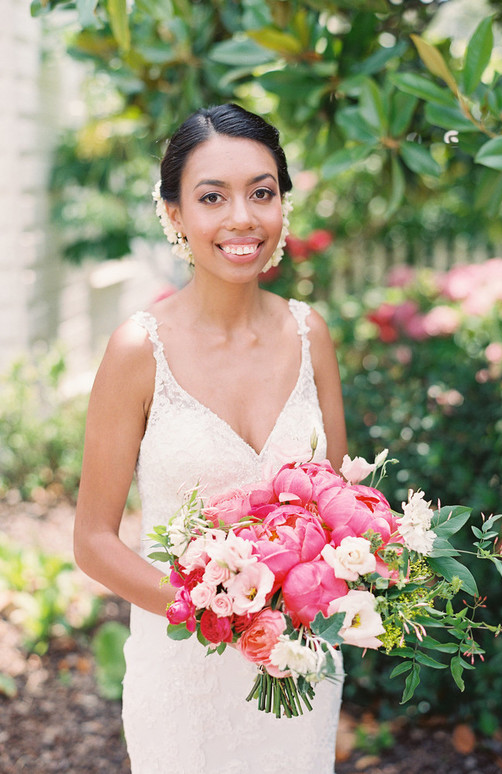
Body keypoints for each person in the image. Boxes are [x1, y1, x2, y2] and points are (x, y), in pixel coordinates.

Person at [74, 103, 347, 773]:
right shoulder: (140, 349)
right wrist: (219, 616)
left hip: (300, 666)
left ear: (284, 201)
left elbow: (338, 508)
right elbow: (94, 541)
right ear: (174, 213)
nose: (241, 217)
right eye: (211, 196)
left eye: (262, 192)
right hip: (184, 676)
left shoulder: (312, 335)